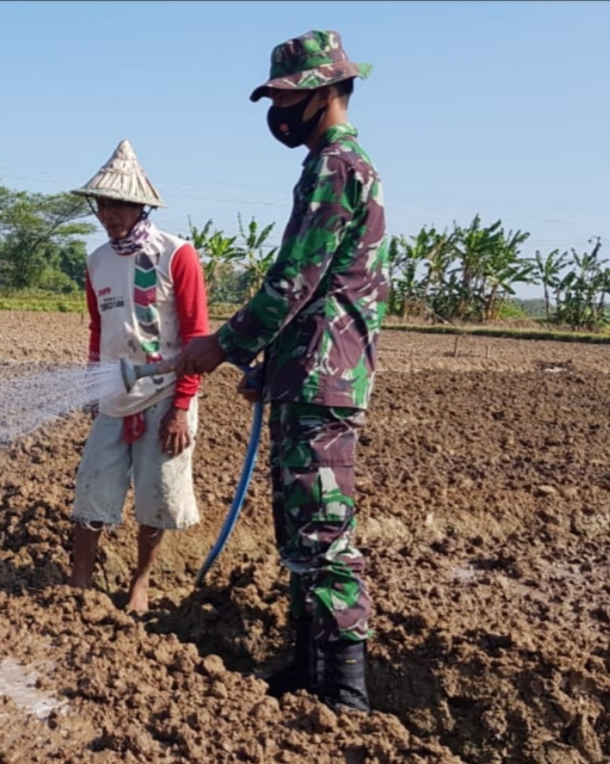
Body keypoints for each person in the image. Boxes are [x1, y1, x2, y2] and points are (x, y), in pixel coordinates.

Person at [176, 30, 387, 713]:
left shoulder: (337, 165)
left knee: (323, 534)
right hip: (308, 371)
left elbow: (296, 278)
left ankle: (345, 698)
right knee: (301, 529)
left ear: (325, 91)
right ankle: (308, 666)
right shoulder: (328, 164)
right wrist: (271, 363)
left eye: (290, 96)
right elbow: (317, 289)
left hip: (324, 376)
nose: (280, 111)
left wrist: (225, 345)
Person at [68, 139, 210, 614]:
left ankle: (140, 584)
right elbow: (99, 328)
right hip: (113, 394)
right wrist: (94, 382)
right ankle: (79, 583)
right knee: (91, 489)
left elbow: (195, 335)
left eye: (119, 204)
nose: (109, 214)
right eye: (103, 204)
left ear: (140, 204)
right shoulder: (97, 262)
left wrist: (182, 406)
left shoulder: (177, 254)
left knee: (156, 496)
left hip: (164, 396)